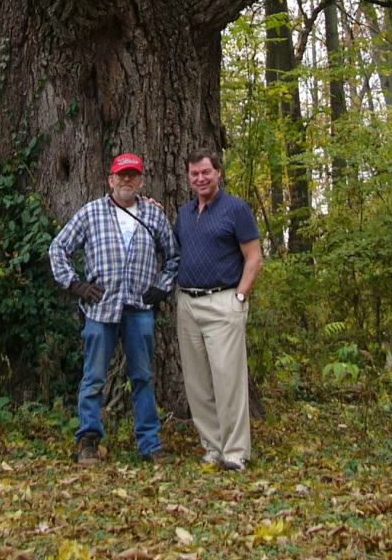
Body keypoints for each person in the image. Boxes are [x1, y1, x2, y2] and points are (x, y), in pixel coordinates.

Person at [49, 152, 179, 466]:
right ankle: (89, 442)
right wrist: (75, 285)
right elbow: (59, 249)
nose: (126, 180)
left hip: (139, 309)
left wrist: (162, 287)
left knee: (143, 378)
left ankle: (149, 444)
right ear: (110, 180)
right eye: (121, 175)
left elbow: (173, 256)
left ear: (141, 181)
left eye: (132, 175)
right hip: (99, 309)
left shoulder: (153, 215)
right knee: (93, 377)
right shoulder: (91, 213)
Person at [175, 148, 262, 471]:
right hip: (188, 303)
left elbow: (254, 258)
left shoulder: (236, 210)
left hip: (223, 302)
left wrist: (239, 298)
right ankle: (211, 447)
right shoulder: (184, 213)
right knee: (197, 383)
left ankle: (235, 452)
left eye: (206, 172)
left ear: (218, 173)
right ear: (188, 177)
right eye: (195, 174)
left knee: (228, 380)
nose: (200, 178)